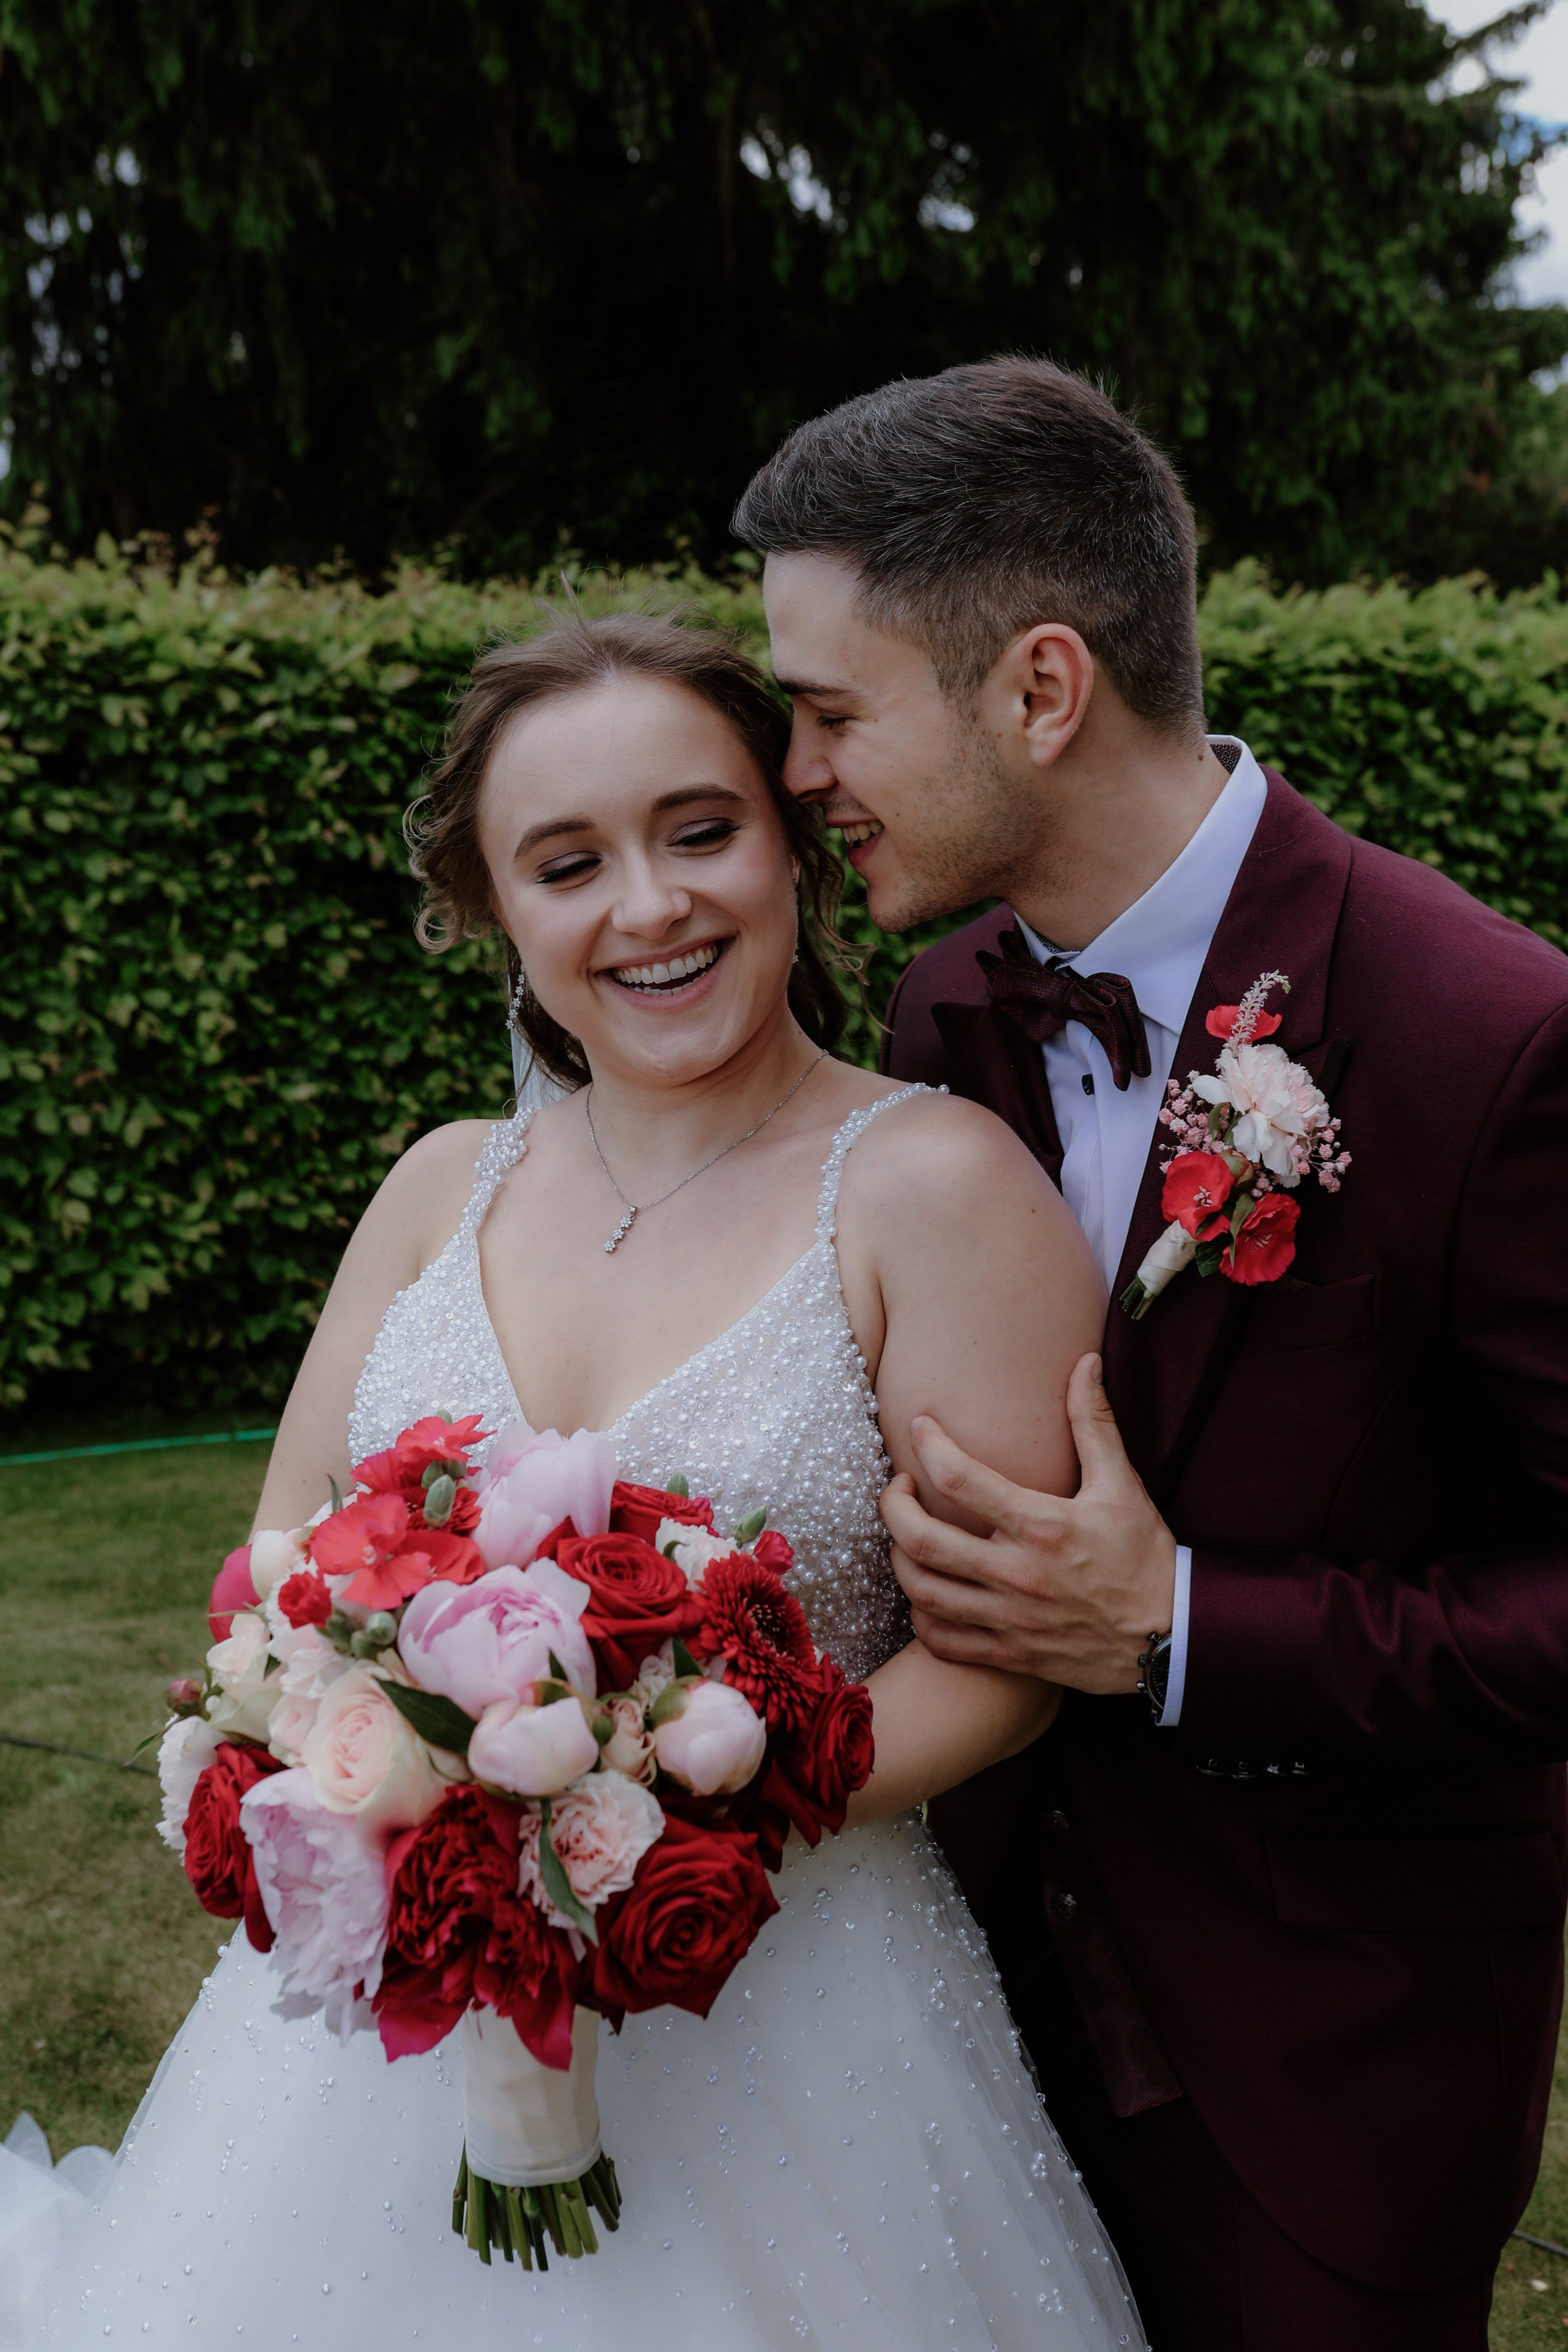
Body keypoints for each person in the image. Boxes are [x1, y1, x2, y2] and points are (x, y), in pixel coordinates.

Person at [28, 608, 1145, 2352]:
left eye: (700, 830)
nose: (650, 905)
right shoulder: (438, 1187)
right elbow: (278, 1565)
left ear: (791, 844)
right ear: (494, 913)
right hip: (364, 2051)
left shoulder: (932, 1186)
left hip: (793, 2008)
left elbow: (1006, 1663)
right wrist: (390, 1777)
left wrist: (642, 1833)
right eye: (568, 863)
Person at [733, 354, 1568, 2351]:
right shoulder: (941, 1018)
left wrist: (1184, 1624)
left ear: (1040, 689)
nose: (793, 772)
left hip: (1320, 2080)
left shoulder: (1490, 1039)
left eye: (835, 710)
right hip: (947, 2050)